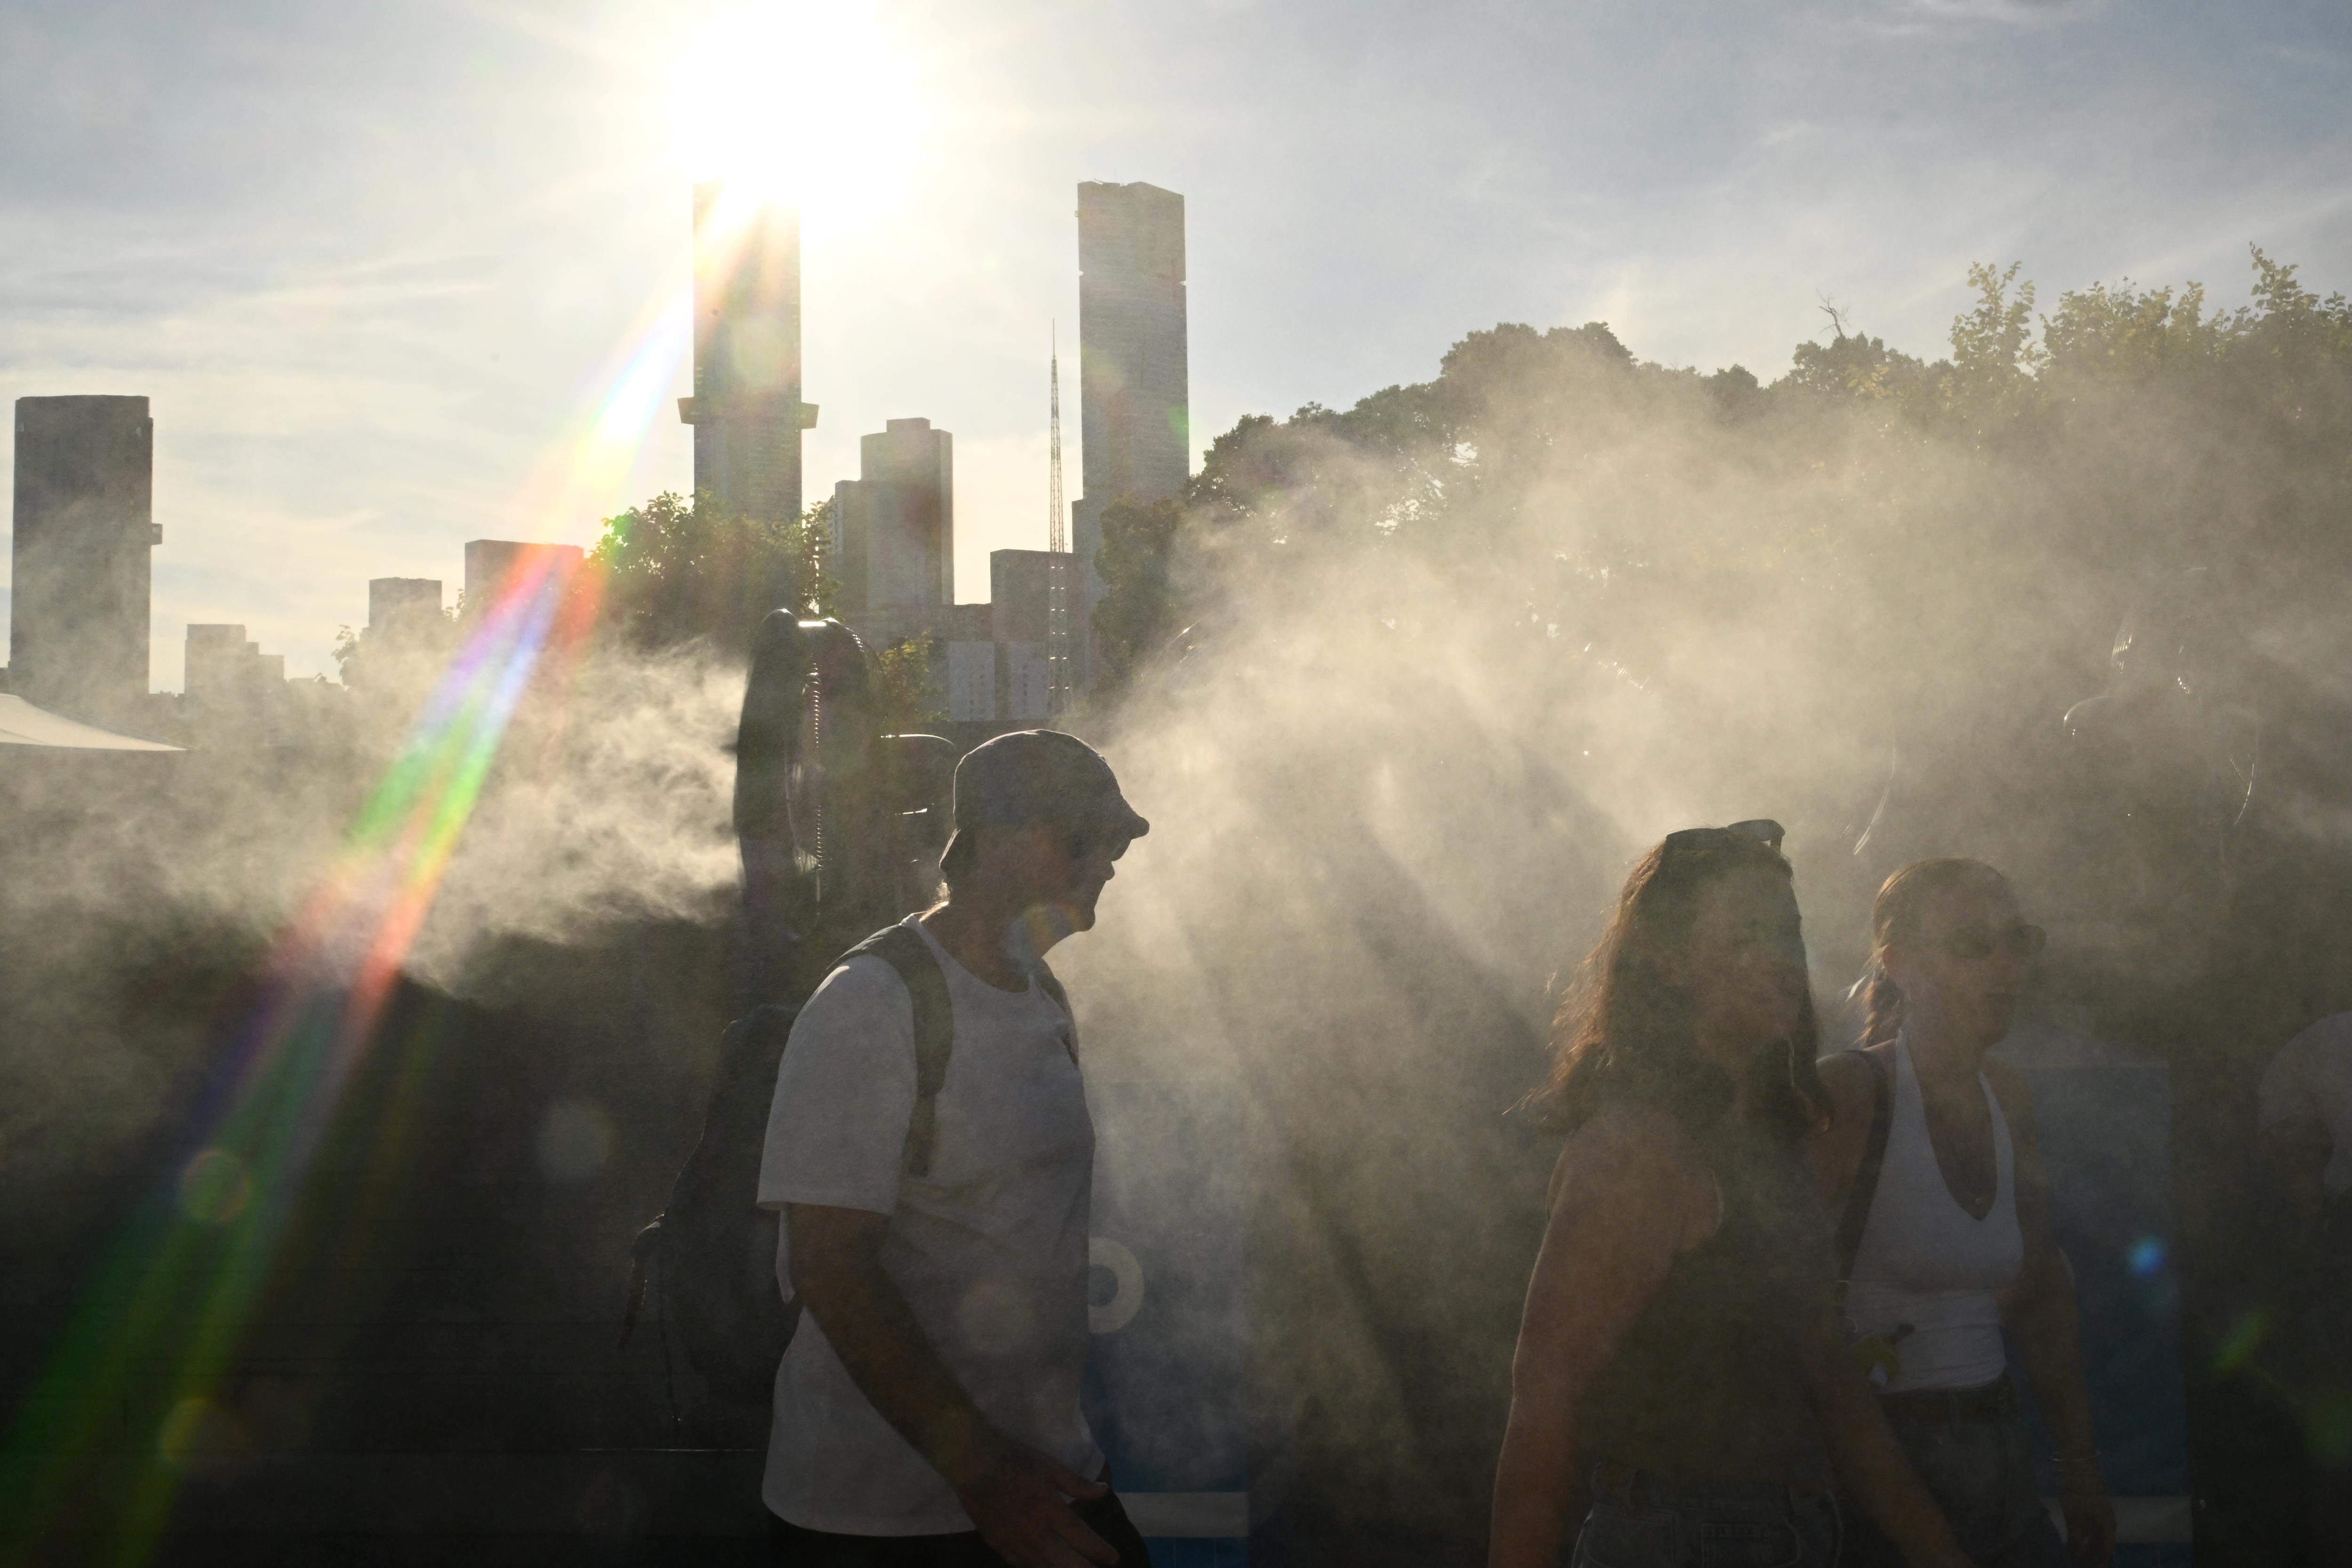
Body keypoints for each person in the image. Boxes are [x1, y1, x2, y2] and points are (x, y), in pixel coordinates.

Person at [1491, 822, 1973, 1568]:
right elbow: (1544, 1392)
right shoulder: (1641, 1150)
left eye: (1791, 931)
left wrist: (1939, 1552)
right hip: (1678, 1535)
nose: (1783, 958)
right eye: (1749, 932)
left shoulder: (1770, 1139)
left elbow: (1829, 1371)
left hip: (1791, 1527)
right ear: (1669, 960)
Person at [756, 730, 1155, 1568]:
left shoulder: (1044, 994)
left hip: (1047, 1471)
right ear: (1005, 839)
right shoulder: (871, 1003)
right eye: (1091, 837)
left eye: (1118, 841)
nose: (1113, 861)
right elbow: (831, 1267)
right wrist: (983, 1472)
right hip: (881, 1517)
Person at [1815, 859, 2116, 1568]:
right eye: (1973, 944)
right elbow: (1796, 1324)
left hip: (2001, 1456)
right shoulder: (1851, 1092)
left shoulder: (2006, 1093)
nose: (2006, 964)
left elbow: (2041, 1291)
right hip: (1874, 1475)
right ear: (1900, 963)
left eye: (2018, 939)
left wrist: (2078, 1469)